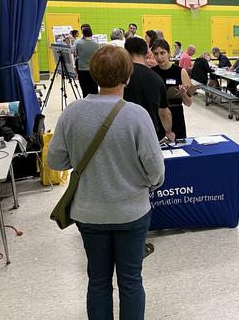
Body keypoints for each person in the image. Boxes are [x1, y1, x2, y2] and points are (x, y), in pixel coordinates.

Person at [47, 45, 165, 320]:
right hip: (131, 212)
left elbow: (55, 161)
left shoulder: (72, 112)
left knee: (98, 280)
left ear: (93, 74)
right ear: (128, 76)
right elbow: (156, 172)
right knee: (131, 280)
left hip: (89, 213)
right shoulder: (137, 115)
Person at [124, 37, 175, 143]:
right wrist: (169, 132)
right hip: (150, 132)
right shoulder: (156, 78)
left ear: (125, 52)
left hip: (125, 131)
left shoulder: (121, 75)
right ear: (147, 53)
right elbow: (164, 112)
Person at [152, 39, 193, 139]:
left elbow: (189, 103)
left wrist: (183, 94)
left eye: (162, 53)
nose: (159, 57)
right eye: (156, 54)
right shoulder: (152, 73)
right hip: (158, 117)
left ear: (169, 53)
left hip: (176, 115)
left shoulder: (180, 72)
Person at [76, 26, 101, 97]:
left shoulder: (79, 43)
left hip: (82, 70)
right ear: (91, 34)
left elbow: (74, 52)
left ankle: (86, 105)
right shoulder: (96, 44)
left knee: (85, 89)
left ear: (83, 34)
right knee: (94, 89)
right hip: (93, 70)